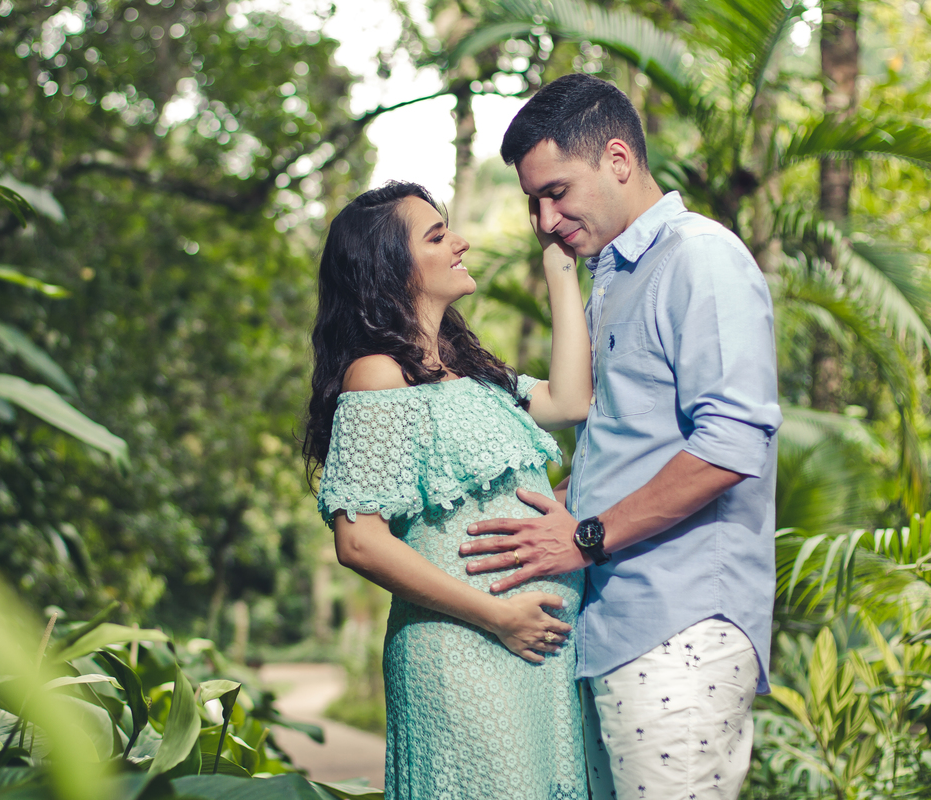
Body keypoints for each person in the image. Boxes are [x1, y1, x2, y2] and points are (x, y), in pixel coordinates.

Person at [460, 73, 783, 799]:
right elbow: (637, 445)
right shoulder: (615, 275)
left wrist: (581, 537)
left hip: (683, 628)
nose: (544, 220)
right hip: (612, 628)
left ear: (617, 159)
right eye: (532, 201)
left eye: (556, 192)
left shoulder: (701, 258)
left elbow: (731, 443)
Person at [303, 180, 593, 799]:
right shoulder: (378, 374)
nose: (460, 242)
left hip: (532, 652)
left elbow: (570, 400)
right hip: (465, 650)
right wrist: (498, 617)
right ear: (389, 269)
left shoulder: (471, 367)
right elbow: (359, 542)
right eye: (437, 236)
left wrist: (558, 267)